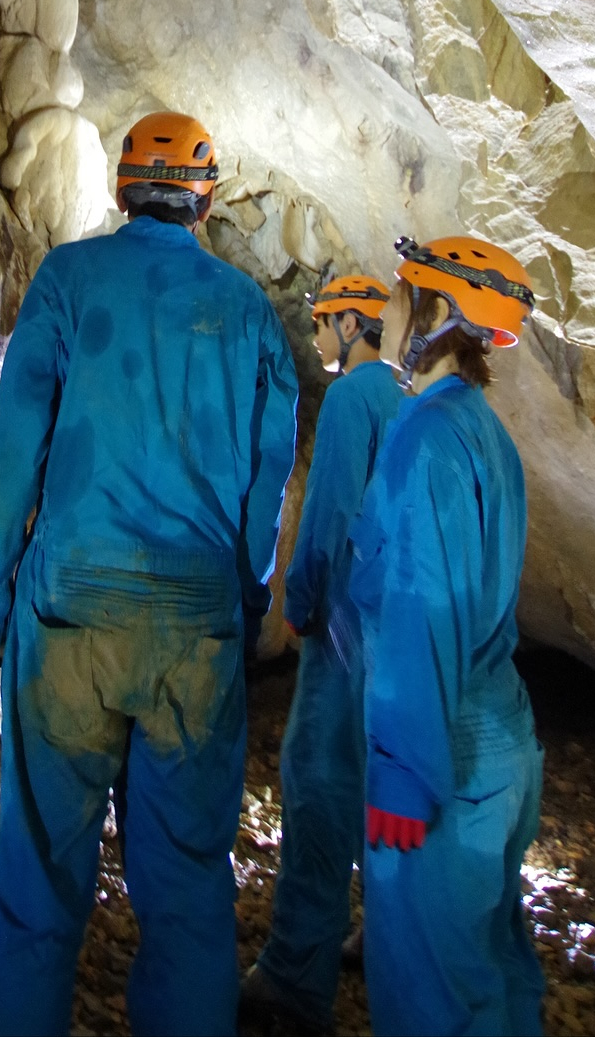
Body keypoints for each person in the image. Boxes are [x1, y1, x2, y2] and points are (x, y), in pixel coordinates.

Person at [0, 111, 300, 1037]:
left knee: (34, 876)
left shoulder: (68, 280)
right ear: (209, 201)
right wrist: (243, 605)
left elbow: (10, 460)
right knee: (188, 887)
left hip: (69, 614)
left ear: (121, 189)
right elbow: (266, 489)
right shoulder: (248, 314)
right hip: (195, 626)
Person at [351, 235, 546, 1037]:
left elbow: (420, 610)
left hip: (442, 756)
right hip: (500, 746)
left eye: (403, 294)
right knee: (492, 970)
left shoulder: (425, 439)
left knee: (432, 995)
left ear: (437, 314)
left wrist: (403, 771)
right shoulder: (486, 436)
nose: (391, 309)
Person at [241, 274, 400, 1033]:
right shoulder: (411, 401)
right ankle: (389, 935)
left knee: (316, 789)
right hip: (397, 635)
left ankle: (294, 977)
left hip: (343, 630)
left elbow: (330, 511)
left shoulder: (351, 399)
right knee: (383, 790)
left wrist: (299, 601)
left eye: (324, 321)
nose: (316, 335)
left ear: (352, 323)